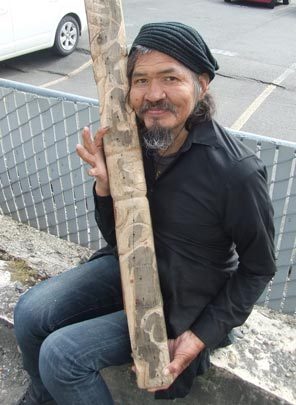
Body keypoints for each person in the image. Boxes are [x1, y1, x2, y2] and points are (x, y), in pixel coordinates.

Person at [14, 22, 276, 405]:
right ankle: (41, 398)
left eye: (171, 78)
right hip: (130, 267)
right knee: (30, 312)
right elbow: (117, 238)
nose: (154, 95)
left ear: (202, 84)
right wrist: (105, 188)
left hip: (184, 296)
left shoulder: (236, 172)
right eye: (141, 81)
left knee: (63, 355)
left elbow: (258, 268)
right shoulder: (133, 142)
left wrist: (201, 335)